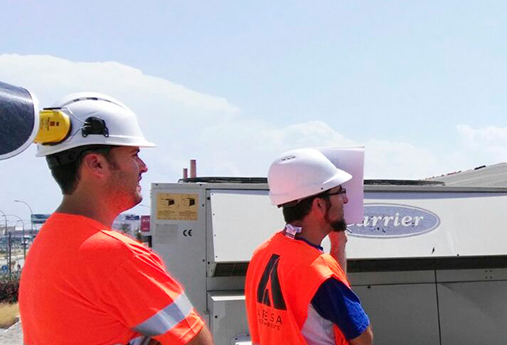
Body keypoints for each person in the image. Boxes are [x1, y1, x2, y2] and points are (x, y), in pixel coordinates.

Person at [19, 92, 212, 344]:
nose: (143, 166)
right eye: (133, 154)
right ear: (96, 164)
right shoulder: (117, 255)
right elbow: (198, 342)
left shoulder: (49, 239)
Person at [245, 148, 373, 344]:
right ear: (319, 205)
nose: (345, 200)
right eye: (340, 192)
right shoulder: (319, 271)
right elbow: (363, 339)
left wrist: (338, 246)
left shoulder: (263, 252)